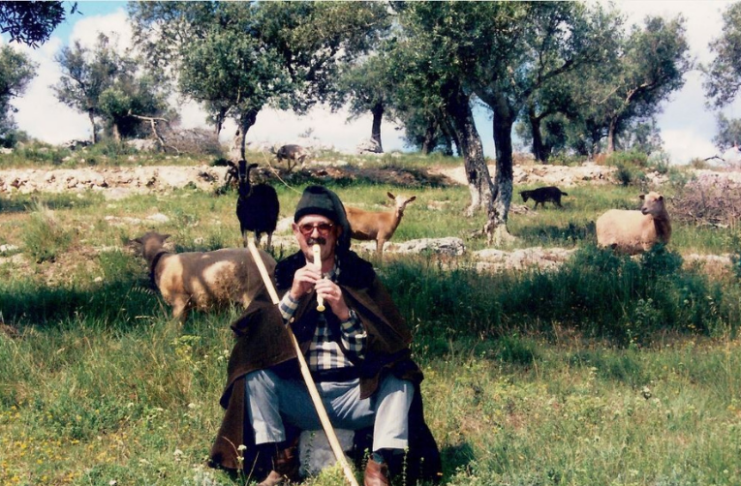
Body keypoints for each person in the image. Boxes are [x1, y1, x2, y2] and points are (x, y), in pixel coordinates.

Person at [209, 185, 441, 486]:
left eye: (324, 227)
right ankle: (280, 463)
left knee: (402, 375)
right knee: (253, 374)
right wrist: (292, 298)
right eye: (307, 227)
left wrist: (344, 312)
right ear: (296, 232)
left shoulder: (359, 275)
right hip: (300, 395)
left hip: (355, 394)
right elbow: (257, 344)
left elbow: (381, 347)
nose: (315, 235)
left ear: (338, 232)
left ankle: (377, 466)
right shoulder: (283, 274)